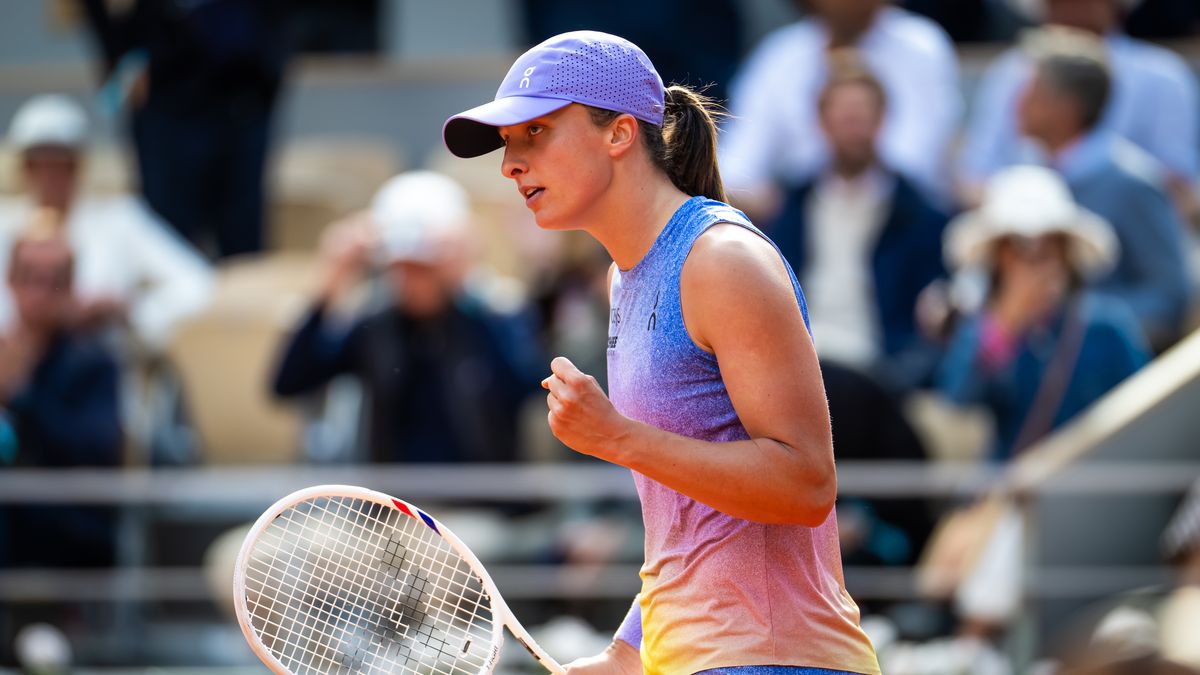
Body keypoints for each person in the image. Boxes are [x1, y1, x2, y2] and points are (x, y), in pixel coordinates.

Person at [443, 30, 880, 675]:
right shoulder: (628, 276)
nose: (510, 164)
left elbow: (806, 483)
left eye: (534, 132)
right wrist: (625, 654)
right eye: (508, 143)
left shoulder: (722, 261)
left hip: (774, 661)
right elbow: (690, 522)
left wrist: (619, 439)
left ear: (620, 134)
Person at [271, 171, 542, 464]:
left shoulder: (497, 314)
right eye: (399, 267)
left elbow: (527, 387)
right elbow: (290, 382)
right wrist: (329, 283)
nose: (408, 280)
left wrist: (466, 288)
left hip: (486, 501)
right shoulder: (374, 325)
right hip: (392, 505)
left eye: (422, 266)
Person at [937, 165, 1149, 460]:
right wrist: (1005, 327)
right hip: (1016, 491)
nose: (1035, 264)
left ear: (1066, 254)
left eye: (1048, 247)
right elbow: (958, 400)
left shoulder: (1108, 328)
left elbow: (1143, 416)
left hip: (1093, 486)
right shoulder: (983, 331)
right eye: (1018, 251)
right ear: (998, 259)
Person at [766, 56, 949, 388]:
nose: (854, 129)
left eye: (862, 118)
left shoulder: (920, 214)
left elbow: (931, 309)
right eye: (844, 118)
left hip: (879, 369)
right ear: (822, 122)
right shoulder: (793, 205)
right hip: (799, 358)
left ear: (882, 120)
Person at [1013, 28, 1191, 349]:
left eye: (1032, 92)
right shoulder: (1025, 177)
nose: (1018, 104)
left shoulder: (1133, 183)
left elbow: (1169, 293)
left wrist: (1086, 325)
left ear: (1065, 106)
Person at [0, 94, 213, 352]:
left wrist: (129, 311)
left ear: (78, 166)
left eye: (61, 166)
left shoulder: (119, 221)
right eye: (38, 166)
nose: (49, 177)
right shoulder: (6, 224)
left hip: (101, 370)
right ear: (25, 169)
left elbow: (198, 283)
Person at [720, 0, 961, 218]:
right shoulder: (779, 55)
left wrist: (840, 189)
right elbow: (735, 168)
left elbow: (917, 166)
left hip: (902, 228)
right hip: (798, 231)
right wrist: (792, 207)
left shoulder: (922, 46)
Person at [958, 0, 1199, 212]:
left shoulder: (1162, 75)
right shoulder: (1011, 70)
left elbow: (1181, 188)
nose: (1070, 8)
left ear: (1067, 106)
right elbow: (975, 177)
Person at [0, 217, 123, 569]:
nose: (39, 293)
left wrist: (21, 395)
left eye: (52, 281)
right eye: (29, 277)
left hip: (66, 522)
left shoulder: (94, 363)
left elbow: (94, 451)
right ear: (11, 281)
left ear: (69, 288)